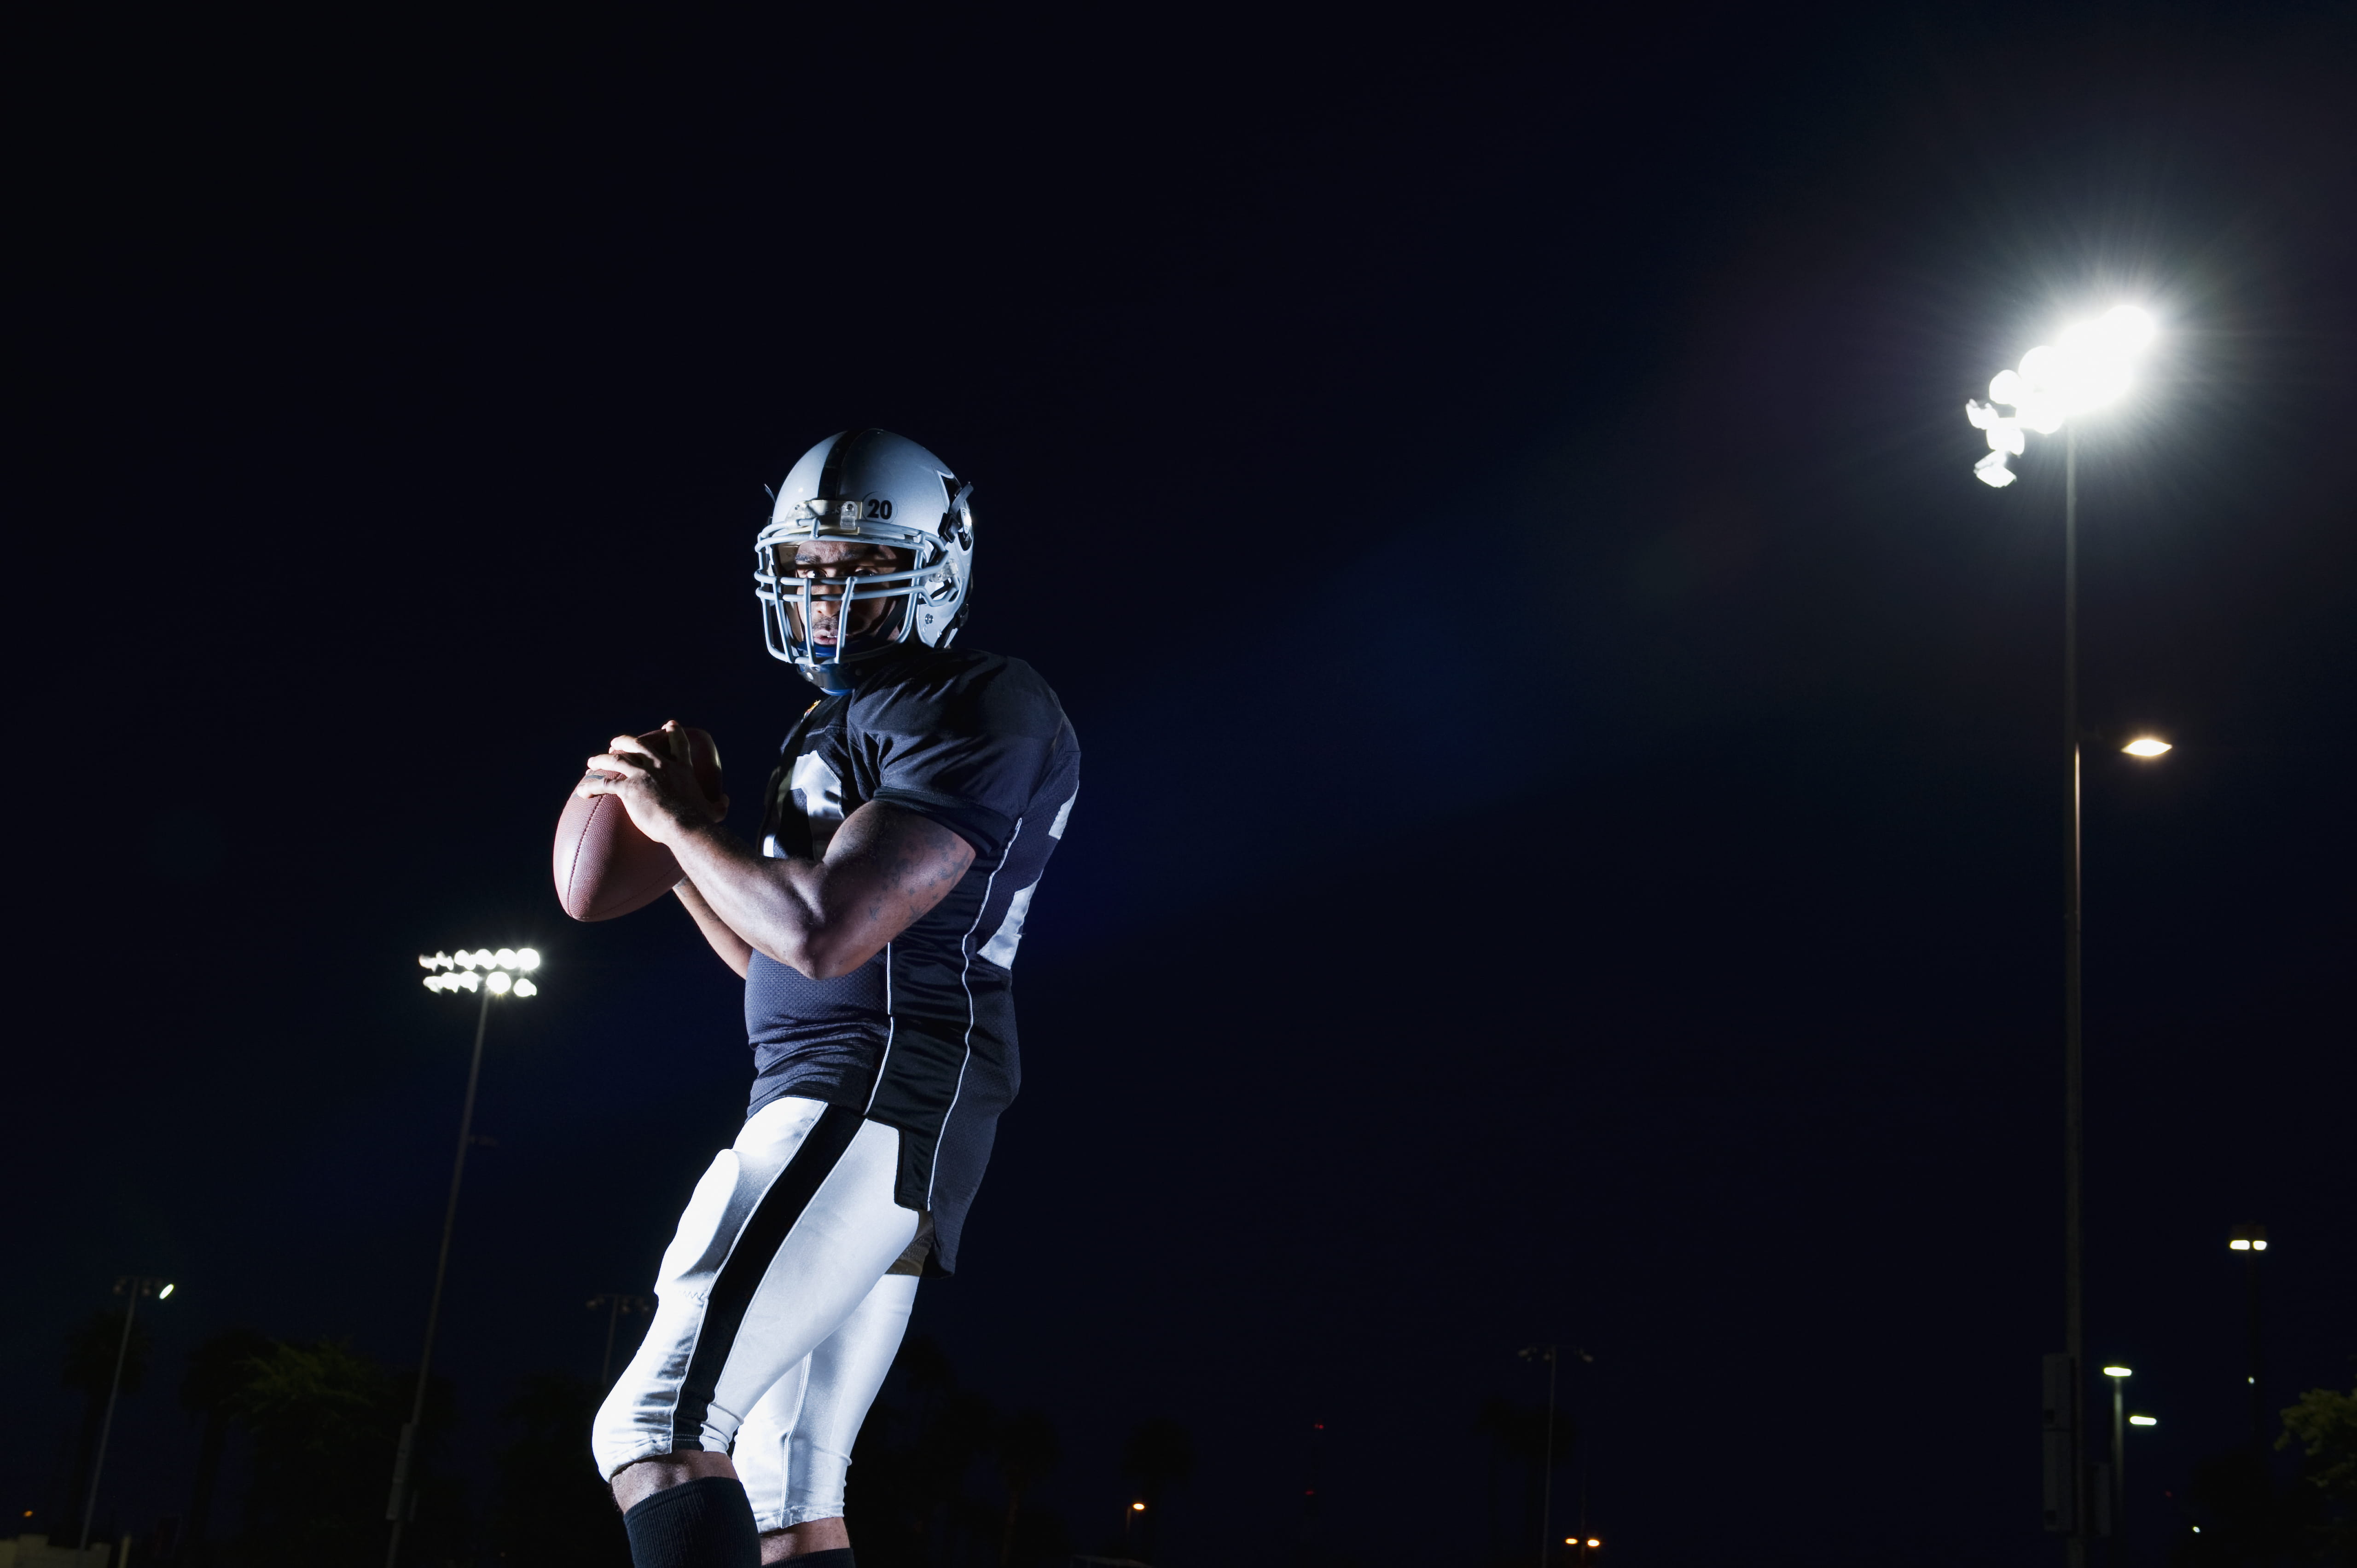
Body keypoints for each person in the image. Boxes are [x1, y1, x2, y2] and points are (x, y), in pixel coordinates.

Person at [578, 429, 1080, 1568]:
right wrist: (683, 862)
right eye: (806, 568)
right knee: (783, 1492)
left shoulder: (978, 698)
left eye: (859, 569)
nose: (824, 594)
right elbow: (780, 956)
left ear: (935, 567)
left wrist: (689, 830)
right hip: (854, 1094)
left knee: (654, 1425)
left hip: (874, 1091)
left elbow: (828, 930)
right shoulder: (829, 724)